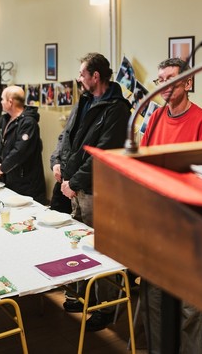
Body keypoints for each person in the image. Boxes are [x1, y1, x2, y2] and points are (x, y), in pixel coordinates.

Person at [138, 58, 202, 354]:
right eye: (159, 80)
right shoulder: (155, 118)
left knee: (189, 308)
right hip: (156, 223)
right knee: (154, 302)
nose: (163, 86)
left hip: (190, 227)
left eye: (171, 79)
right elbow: (144, 164)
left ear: (188, 83)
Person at [49, 52, 132, 332]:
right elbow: (67, 134)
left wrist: (75, 182)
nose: (79, 79)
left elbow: (103, 154)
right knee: (78, 244)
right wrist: (57, 161)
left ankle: (104, 309)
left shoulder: (116, 108)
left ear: (96, 76)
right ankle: (84, 296)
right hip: (74, 186)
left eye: (82, 74)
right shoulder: (85, 100)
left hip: (97, 189)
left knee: (101, 250)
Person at [0, 85, 47, 204]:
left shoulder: (28, 123)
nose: (0, 102)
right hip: (9, 177)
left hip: (26, 182)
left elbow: (20, 151)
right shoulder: (5, 119)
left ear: (10, 102)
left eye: (2, 99)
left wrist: (2, 168)